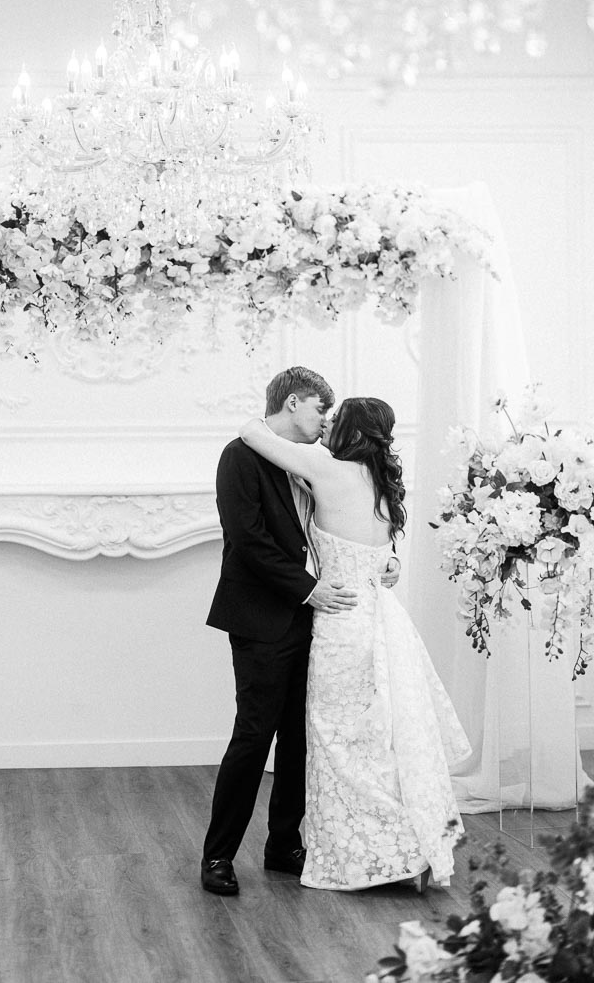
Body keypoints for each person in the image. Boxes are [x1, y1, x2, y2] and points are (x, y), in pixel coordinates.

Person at [238, 395, 471, 892]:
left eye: (334, 419)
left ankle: (369, 853)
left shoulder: (325, 468)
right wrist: (392, 566)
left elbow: (252, 433)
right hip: (384, 623)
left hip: (340, 627)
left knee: (337, 744)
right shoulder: (384, 486)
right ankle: (408, 848)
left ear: (349, 430)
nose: (326, 426)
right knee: (376, 742)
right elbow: (383, 559)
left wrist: (285, 411)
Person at [201, 366, 401, 897]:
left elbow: (340, 530)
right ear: (293, 402)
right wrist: (308, 590)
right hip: (262, 618)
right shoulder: (239, 457)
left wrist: (380, 562)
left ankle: (283, 845)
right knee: (253, 735)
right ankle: (218, 854)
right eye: (320, 410)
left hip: (316, 621)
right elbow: (247, 539)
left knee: (299, 740)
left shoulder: (318, 465)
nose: (326, 421)